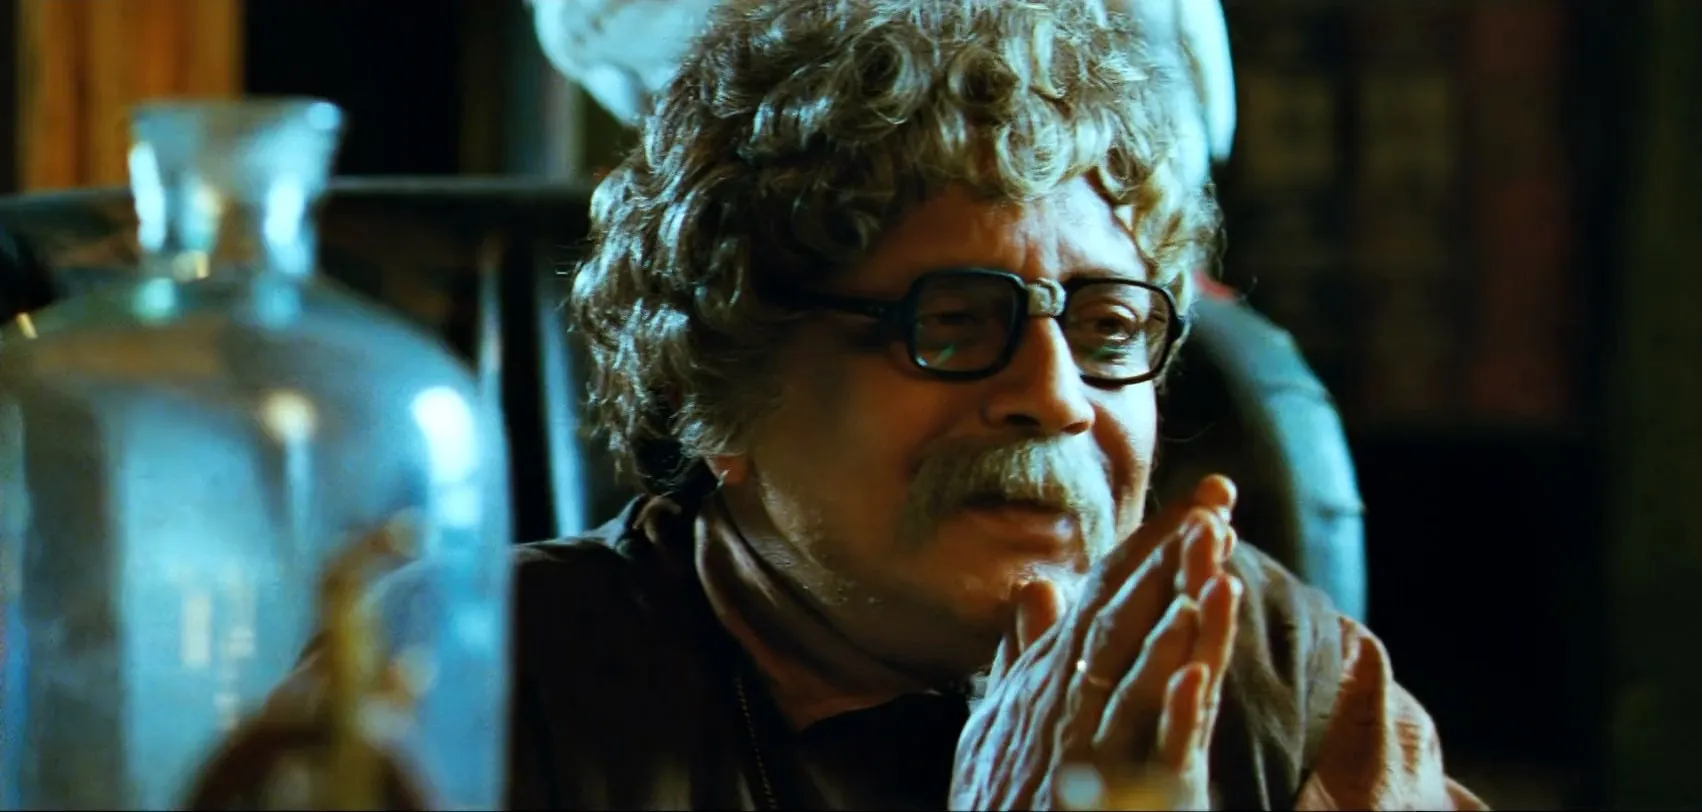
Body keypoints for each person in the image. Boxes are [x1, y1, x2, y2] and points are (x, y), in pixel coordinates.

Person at [339, 0, 1485, 808]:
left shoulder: (1260, 662)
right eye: (954, 324)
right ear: (724, 391)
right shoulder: (458, 683)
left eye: (1107, 330)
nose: (1055, 396)